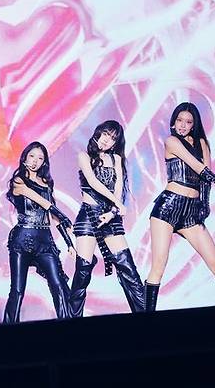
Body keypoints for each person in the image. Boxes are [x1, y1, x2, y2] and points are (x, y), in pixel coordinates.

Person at [145, 102, 215, 311]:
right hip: (168, 207)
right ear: (173, 122)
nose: (182, 125)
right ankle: (145, 322)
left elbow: (205, 179)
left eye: (188, 122)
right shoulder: (171, 141)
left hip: (191, 212)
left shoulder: (202, 143)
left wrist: (204, 205)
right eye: (179, 120)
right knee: (158, 266)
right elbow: (197, 167)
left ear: (194, 124)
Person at [70, 121, 145, 316]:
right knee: (83, 272)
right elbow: (93, 182)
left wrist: (113, 211)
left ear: (115, 144)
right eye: (105, 134)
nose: (106, 140)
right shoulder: (84, 156)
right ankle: (72, 320)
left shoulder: (116, 159)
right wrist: (118, 204)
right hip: (88, 215)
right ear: (98, 133)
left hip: (110, 216)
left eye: (112, 138)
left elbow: (118, 187)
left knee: (128, 268)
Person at [3, 142, 76, 323]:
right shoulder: (19, 181)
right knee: (17, 290)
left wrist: (69, 243)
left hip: (45, 241)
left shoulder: (46, 184)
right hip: (22, 239)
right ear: (25, 158)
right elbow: (38, 199)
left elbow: (54, 217)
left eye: (40, 158)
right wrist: (62, 215)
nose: (35, 161)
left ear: (44, 162)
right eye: (32, 156)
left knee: (58, 284)